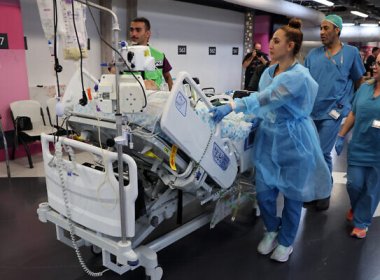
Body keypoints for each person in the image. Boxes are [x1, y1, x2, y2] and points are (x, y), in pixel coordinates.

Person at [210, 18, 331, 262]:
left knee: (292, 195)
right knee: (264, 192)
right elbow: (261, 102)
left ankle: (286, 241)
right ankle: (271, 228)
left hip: (294, 139)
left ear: (291, 46)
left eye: (276, 41)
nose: (270, 45)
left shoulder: (298, 76)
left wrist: (232, 106)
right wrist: (251, 119)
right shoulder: (268, 71)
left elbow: (267, 97)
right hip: (268, 137)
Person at [304, 14, 366, 211]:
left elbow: (359, 81)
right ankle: (316, 190)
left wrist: (354, 105)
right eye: (320, 29)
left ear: (337, 30)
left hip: (334, 112)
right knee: (312, 154)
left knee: (322, 152)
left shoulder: (351, 53)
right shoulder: (313, 55)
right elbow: (304, 84)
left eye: (325, 28)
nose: (322, 32)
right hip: (311, 112)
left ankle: (324, 192)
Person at [334, 53, 380, 239]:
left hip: (378, 154)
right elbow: (353, 113)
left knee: (372, 189)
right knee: (354, 184)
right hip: (359, 147)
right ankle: (356, 207)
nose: (375, 67)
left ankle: (361, 222)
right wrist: (341, 134)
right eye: (376, 63)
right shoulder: (365, 88)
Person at [129, 17, 173, 90]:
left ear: (147, 33)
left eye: (138, 30)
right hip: (129, 98)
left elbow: (168, 77)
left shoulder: (159, 56)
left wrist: (172, 96)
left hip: (153, 99)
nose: (133, 33)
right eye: (131, 30)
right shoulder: (122, 54)